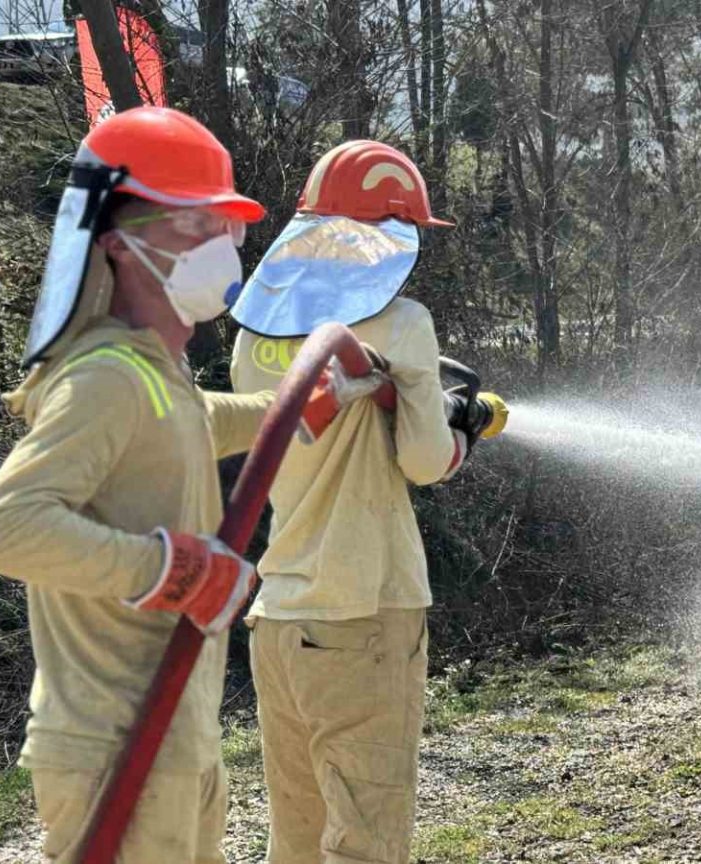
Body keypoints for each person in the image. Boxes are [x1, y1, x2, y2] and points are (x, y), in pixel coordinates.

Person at [0, 107, 378, 864]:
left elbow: (198, 422)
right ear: (122, 246)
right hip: (116, 744)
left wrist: (305, 405)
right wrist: (171, 569)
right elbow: (0, 529)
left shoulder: (156, 375)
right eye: (196, 226)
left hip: (170, 735)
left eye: (226, 228)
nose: (221, 247)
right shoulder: (105, 379)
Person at [227, 140, 487, 863]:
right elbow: (426, 462)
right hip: (362, 615)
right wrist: (464, 428)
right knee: (366, 841)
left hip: (279, 619)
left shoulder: (255, 333)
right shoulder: (401, 324)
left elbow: (313, 424)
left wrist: (405, 399)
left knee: (298, 839)